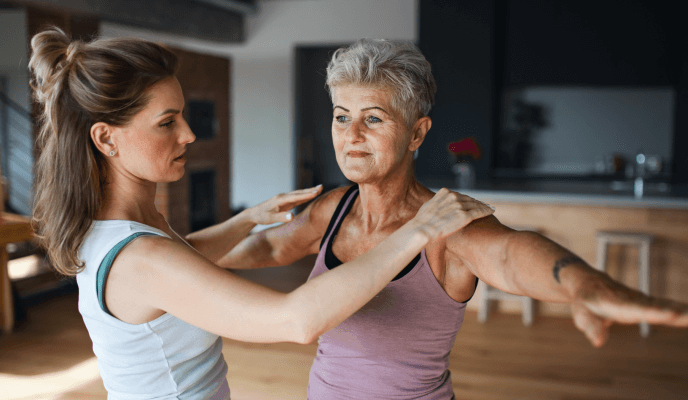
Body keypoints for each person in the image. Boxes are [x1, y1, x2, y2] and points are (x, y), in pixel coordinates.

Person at [29, 29, 495, 400]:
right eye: (167, 122)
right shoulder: (143, 256)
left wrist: (246, 219)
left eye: (183, 115)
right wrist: (417, 231)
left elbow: (181, 260)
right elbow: (296, 320)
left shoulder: (121, 230)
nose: (189, 134)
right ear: (107, 140)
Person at [223, 39, 688, 399]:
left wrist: (580, 284)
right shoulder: (334, 207)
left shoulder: (445, 224)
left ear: (416, 132)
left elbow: (509, 254)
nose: (352, 136)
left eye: (374, 119)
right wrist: (185, 261)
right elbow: (270, 246)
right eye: (342, 118)